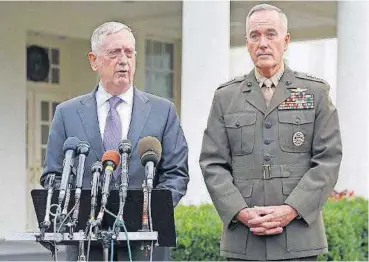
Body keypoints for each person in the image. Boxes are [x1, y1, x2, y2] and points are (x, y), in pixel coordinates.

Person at [199, 4, 342, 261]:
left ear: (286, 41)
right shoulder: (226, 97)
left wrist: (292, 209)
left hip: (298, 238)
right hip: (244, 239)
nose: (262, 43)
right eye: (255, 36)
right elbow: (213, 163)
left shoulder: (315, 92)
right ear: (247, 43)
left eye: (271, 34)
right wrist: (240, 211)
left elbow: (328, 160)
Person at [40, 21, 189, 261]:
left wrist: (147, 213)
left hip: (145, 246)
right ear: (93, 60)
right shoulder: (66, 113)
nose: (123, 60)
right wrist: (76, 210)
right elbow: (52, 175)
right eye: (114, 53)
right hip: (85, 246)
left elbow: (176, 175)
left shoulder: (163, 112)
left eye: (129, 52)